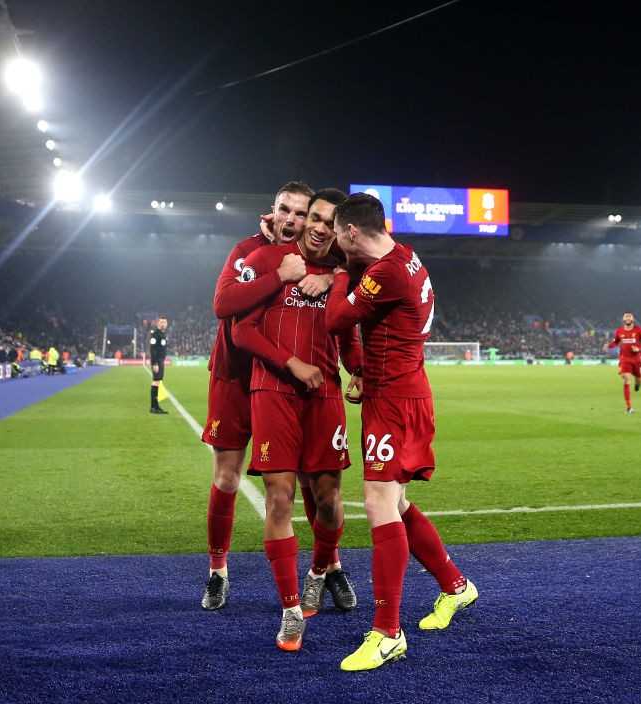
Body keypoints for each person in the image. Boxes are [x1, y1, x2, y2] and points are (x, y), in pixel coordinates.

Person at [326, 192, 478, 672]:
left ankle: (387, 633)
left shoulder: (384, 272)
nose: (333, 242)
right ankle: (456, 586)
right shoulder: (406, 256)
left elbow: (335, 319)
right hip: (399, 391)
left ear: (351, 232)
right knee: (397, 503)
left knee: (377, 503)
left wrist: (339, 275)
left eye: (336, 233)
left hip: (395, 401)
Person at [232, 188, 363, 652]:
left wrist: (358, 368)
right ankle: (291, 610)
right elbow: (241, 329)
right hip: (273, 391)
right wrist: (290, 363)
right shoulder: (270, 259)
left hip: (325, 394)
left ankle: (319, 572)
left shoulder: (342, 272)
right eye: (314, 218)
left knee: (328, 499)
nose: (318, 227)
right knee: (280, 500)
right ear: (303, 219)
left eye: (329, 222)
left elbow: (347, 332)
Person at [200, 181, 326, 611]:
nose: (292, 220)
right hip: (236, 376)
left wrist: (325, 274)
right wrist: (279, 276)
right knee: (228, 478)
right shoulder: (244, 251)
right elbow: (223, 304)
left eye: (301, 213)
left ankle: (331, 565)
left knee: (309, 480)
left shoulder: (315, 256)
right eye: (285, 210)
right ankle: (218, 571)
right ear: (271, 212)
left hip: (282, 384)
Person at [602, 311, 641, 414]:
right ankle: (629, 407)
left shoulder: (639, 330)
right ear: (623, 320)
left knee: (639, 381)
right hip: (625, 359)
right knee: (626, 379)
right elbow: (615, 342)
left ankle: (637, 385)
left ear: (632, 319)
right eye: (626, 317)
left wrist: (638, 348)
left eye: (630, 316)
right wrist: (608, 345)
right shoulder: (619, 331)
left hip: (637, 359)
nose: (628, 318)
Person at [148, 318, 168, 413]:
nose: (163, 324)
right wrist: (155, 363)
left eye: (164, 322)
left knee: (158, 382)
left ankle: (156, 406)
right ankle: (153, 407)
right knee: (155, 382)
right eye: (161, 322)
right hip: (157, 361)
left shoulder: (162, 334)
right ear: (158, 324)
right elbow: (152, 349)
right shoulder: (155, 334)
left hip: (161, 360)